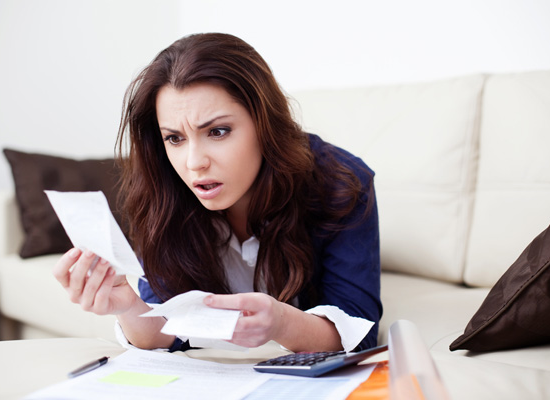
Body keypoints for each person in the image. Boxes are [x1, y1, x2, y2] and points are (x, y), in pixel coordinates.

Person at [53, 32, 382, 353]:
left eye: (218, 131)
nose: (194, 163)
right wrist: (126, 307)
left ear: (265, 124)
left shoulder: (341, 182)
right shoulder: (166, 188)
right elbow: (167, 331)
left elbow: (358, 333)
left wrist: (281, 322)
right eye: (174, 138)